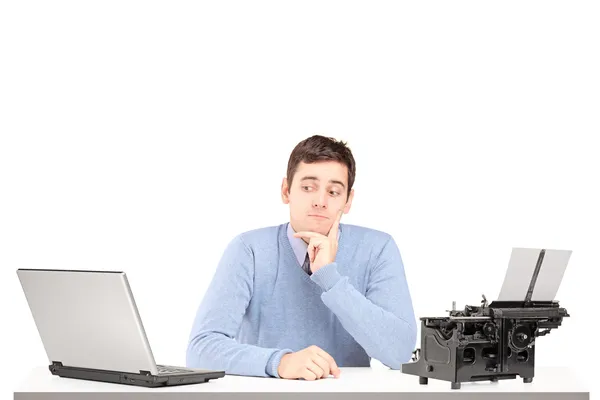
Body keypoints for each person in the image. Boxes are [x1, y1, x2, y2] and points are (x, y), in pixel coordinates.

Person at [186, 135, 417, 381]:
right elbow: (201, 349)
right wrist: (280, 362)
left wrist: (330, 278)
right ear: (286, 191)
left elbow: (400, 352)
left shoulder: (378, 248)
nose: (320, 201)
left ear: (348, 201)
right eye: (308, 187)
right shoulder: (248, 249)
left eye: (334, 191)